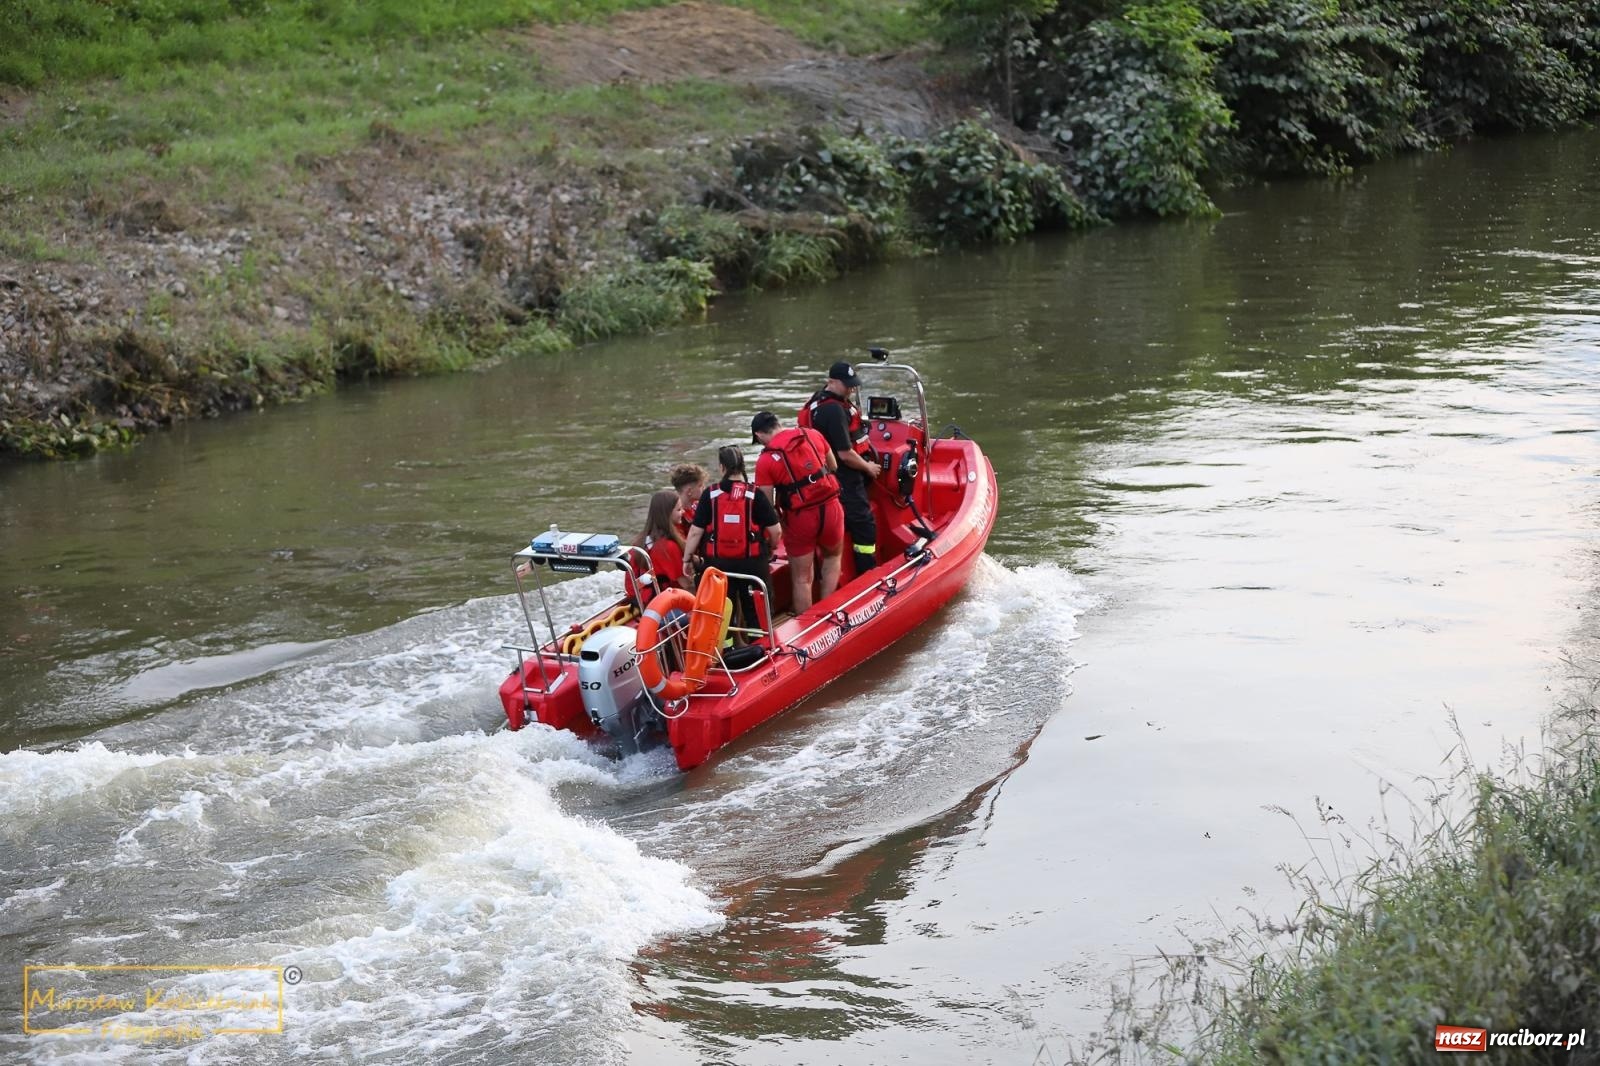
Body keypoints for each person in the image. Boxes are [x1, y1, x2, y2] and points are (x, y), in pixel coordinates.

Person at [682, 445, 781, 639]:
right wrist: (771, 547)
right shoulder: (755, 494)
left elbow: (695, 532)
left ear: (722, 468)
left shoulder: (710, 494)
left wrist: (687, 559)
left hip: (719, 565)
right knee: (756, 610)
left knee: (722, 611)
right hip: (753, 564)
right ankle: (759, 645)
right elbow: (776, 531)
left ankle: (726, 649)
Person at [751, 410, 843, 613]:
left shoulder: (765, 459)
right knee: (832, 557)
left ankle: (808, 622)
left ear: (759, 434)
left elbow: (766, 504)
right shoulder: (812, 434)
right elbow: (833, 465)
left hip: (800, 517)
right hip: (831, 507)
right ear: (778, 423)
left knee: (802, 578)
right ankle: (828, 611)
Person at [797, 360, 881, 579]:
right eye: (847, 385)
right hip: (845, 476)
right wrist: (868, 467)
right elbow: (845, 454)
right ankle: (867, 575)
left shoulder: (818, 401)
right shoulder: (833, 410)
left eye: (853, 384)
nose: (851, 389)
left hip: (824, 476)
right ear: (832, 382)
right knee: (864, 524)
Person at [625, 490, 685, 605]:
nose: (683, 512)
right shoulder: (668, 547)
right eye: (679, 509)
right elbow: (685, 584)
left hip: (641, 600)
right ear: (667, 514)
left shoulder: (641, 540)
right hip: (661, 604)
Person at [668, 464, 707, 546]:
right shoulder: (676, 515)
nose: (704, 488)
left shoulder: (698, 505)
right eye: (700, 485)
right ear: (689, 491)